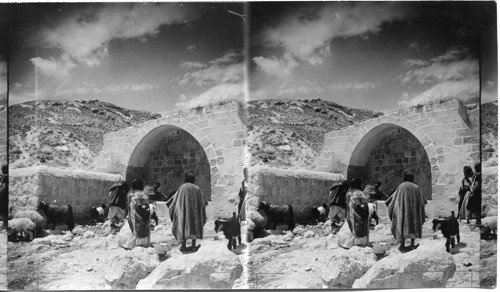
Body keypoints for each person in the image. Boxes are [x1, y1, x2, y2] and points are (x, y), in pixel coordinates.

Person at [167, 172, 209, 252]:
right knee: (195, 226)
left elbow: (174, 199)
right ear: (193, 179)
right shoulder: (197, 188)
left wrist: (169, 203)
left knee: (183, 226)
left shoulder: (182, 187)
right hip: (195, 213)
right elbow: (204, 202)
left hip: (184, 212)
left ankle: (183, 246)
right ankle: (193, 245)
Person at [386, 171, 427, 251]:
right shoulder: (416, 187)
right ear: (412, 178)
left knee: (403, 225)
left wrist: (389, 203)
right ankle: (412, 244)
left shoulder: (401, 186)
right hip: (414, 212)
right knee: (414, 226)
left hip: (404, 211)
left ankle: (402, 245)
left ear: (404, 178)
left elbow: (394, 199)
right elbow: (423, 201)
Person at [345, 177, 370, 247]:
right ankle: (360, 244)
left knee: (352, 228)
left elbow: (346, 202)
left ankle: (350, 244)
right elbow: (364, 204)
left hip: (350, 213)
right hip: (358, 214)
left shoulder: (348, 192)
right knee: (360, 228)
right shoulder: (359, 193)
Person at [127, 178, 151, 247]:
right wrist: (147, 213)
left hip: (131, 215)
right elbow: (142, 206)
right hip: (139, 216)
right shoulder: (140, 194)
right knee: (141, 231)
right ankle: (141, 246)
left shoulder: (130, 193)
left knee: (134, 231)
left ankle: (133, 245)